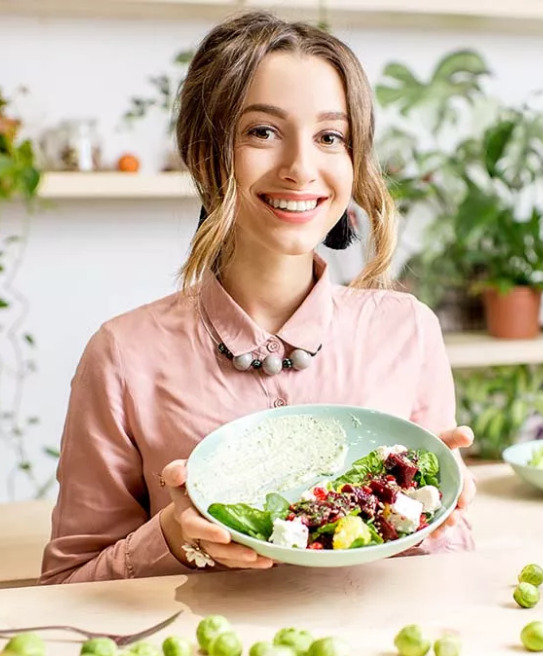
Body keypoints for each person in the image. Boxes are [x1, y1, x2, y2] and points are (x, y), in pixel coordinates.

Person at [39, 10, 477, 584]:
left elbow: (449, 561)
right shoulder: (123, 355)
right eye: (262, 132)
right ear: (205, 154)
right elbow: (66, 584)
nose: (300, 168)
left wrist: (437, 513)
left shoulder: (407, 330)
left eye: (330, 137)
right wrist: (169, 538)